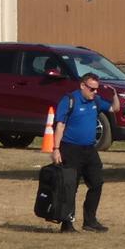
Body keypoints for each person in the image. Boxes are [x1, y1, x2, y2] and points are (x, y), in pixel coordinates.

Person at [50, 70, 113, 233]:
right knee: (71, 186)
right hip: (70, 149)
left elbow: (114, 108)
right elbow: (60, 125)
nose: (95, 92)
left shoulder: (96, 101)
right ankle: (67, 223)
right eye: (91, 88)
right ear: (82, 86)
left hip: (89, 149)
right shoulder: (69, 100)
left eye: (96, 89)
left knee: (97, 183)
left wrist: (115, 95)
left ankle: (90, 221)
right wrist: (56, 149)